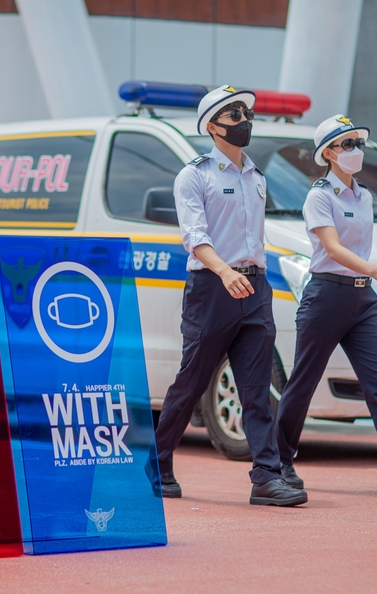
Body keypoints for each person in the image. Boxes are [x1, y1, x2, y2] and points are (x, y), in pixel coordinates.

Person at [146, 85, 308, 507]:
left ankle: (266, 477)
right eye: (234, 115)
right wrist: (224, 272)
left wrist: (253, 277)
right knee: (193, 380)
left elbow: (254, 238)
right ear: (213, 127)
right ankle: (157, 463)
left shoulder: (257, 177)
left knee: (256, 388)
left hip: (255, 287)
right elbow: (194, 237)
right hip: (212, 288)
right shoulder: (194, 175)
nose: (244, 121)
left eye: (246, 114)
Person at [274, 114, 377, 495]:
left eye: (358, 143)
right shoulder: (319, 196)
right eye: (347, 144)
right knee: (302, 383)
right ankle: (279, 462)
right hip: (327, 296)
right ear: (328, 153)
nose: (356, 150)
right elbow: (332, 249)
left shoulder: (364, 195)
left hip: (362, 299)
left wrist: (370, 276)